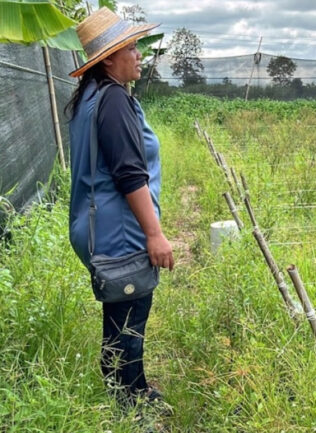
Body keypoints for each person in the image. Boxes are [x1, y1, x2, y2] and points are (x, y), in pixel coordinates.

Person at [65, 7, 174, 409]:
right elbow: (129, 175)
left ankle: (133, 388)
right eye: (131, 47)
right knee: (129, 320)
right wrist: (155, 234)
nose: (139, 54)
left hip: (96, 227)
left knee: (120, 316)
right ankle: (129, 404)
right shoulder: (113, 100)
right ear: (108, 59)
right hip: (120, 233)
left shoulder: (91, 97)